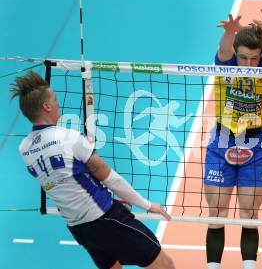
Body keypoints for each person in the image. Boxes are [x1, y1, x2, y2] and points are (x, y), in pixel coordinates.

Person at [11, 71, 175, 269]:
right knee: (165, 265)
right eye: (54, 99)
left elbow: (65, 182)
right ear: (46, 106)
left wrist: (105, 197)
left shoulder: (25, 149)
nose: (57, 103)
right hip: (106, 219)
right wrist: (146, 204)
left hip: (80, 229)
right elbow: (109, 177)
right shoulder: (69, 138)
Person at [204, 7, 262, 269]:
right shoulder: (226, 65)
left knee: (249, 213)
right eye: (243, 58)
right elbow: (224, 49)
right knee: (216, 212)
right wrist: (228, 33)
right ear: (236, 55)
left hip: (255, 147)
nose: (248, 64)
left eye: (254, 58)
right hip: (221, 144)